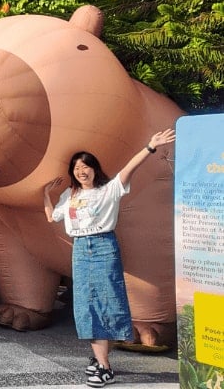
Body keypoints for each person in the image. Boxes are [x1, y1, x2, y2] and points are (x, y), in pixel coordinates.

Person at [43, 129, 175, 388]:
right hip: (80, 250)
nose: (82, 171)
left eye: (86, 166)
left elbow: (129, 169)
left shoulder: (109, 189)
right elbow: (51, 217)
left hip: (104, 247)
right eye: (77, 167)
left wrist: (150, 147)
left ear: (94, 169)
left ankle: (103, 365)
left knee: (107, 301)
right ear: (73, 172)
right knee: (87, 305)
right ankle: (100, 361)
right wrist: (44, 195)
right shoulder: (69, 196)